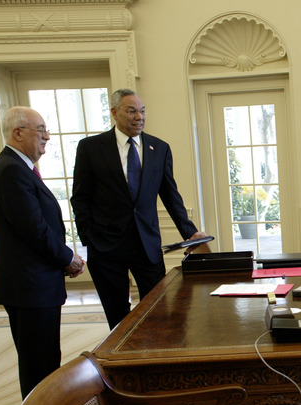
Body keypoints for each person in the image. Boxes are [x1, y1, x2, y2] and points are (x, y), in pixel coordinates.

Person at [71, 89, 206, 329]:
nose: (139, 117)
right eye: (131, 110)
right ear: (114, 113)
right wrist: (89, 238)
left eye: (142, 111)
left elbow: (171, 196)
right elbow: (80, 198)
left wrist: (190, 232)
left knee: (157, 309)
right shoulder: (90, 148)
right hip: (105, 247)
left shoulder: (159, 148)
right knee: (117, 315)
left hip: (146, 245)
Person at [0, 106, 86, 398]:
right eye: (41, 130)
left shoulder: (16, 168)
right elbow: (34, 230)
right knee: (38, 362)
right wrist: (68, 258)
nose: (48, 137)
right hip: (28, 285)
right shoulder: (11, 172)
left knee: (42, 357)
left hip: (32, 284)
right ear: (18, 133)